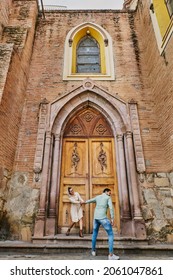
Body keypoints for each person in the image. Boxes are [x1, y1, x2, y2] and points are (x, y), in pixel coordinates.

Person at [83, 188, 120, 260]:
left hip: (96, 218)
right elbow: (111, 208)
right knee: (111, 234)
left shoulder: (98, 197)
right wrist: (112, 218)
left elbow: (89, 201)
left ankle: (93, 251)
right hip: (103, 218)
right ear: (106, 192)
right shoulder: (108, 197)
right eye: (109, 192)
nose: (110, 194)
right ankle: (111, 255)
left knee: (94, 233)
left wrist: (83, 202)